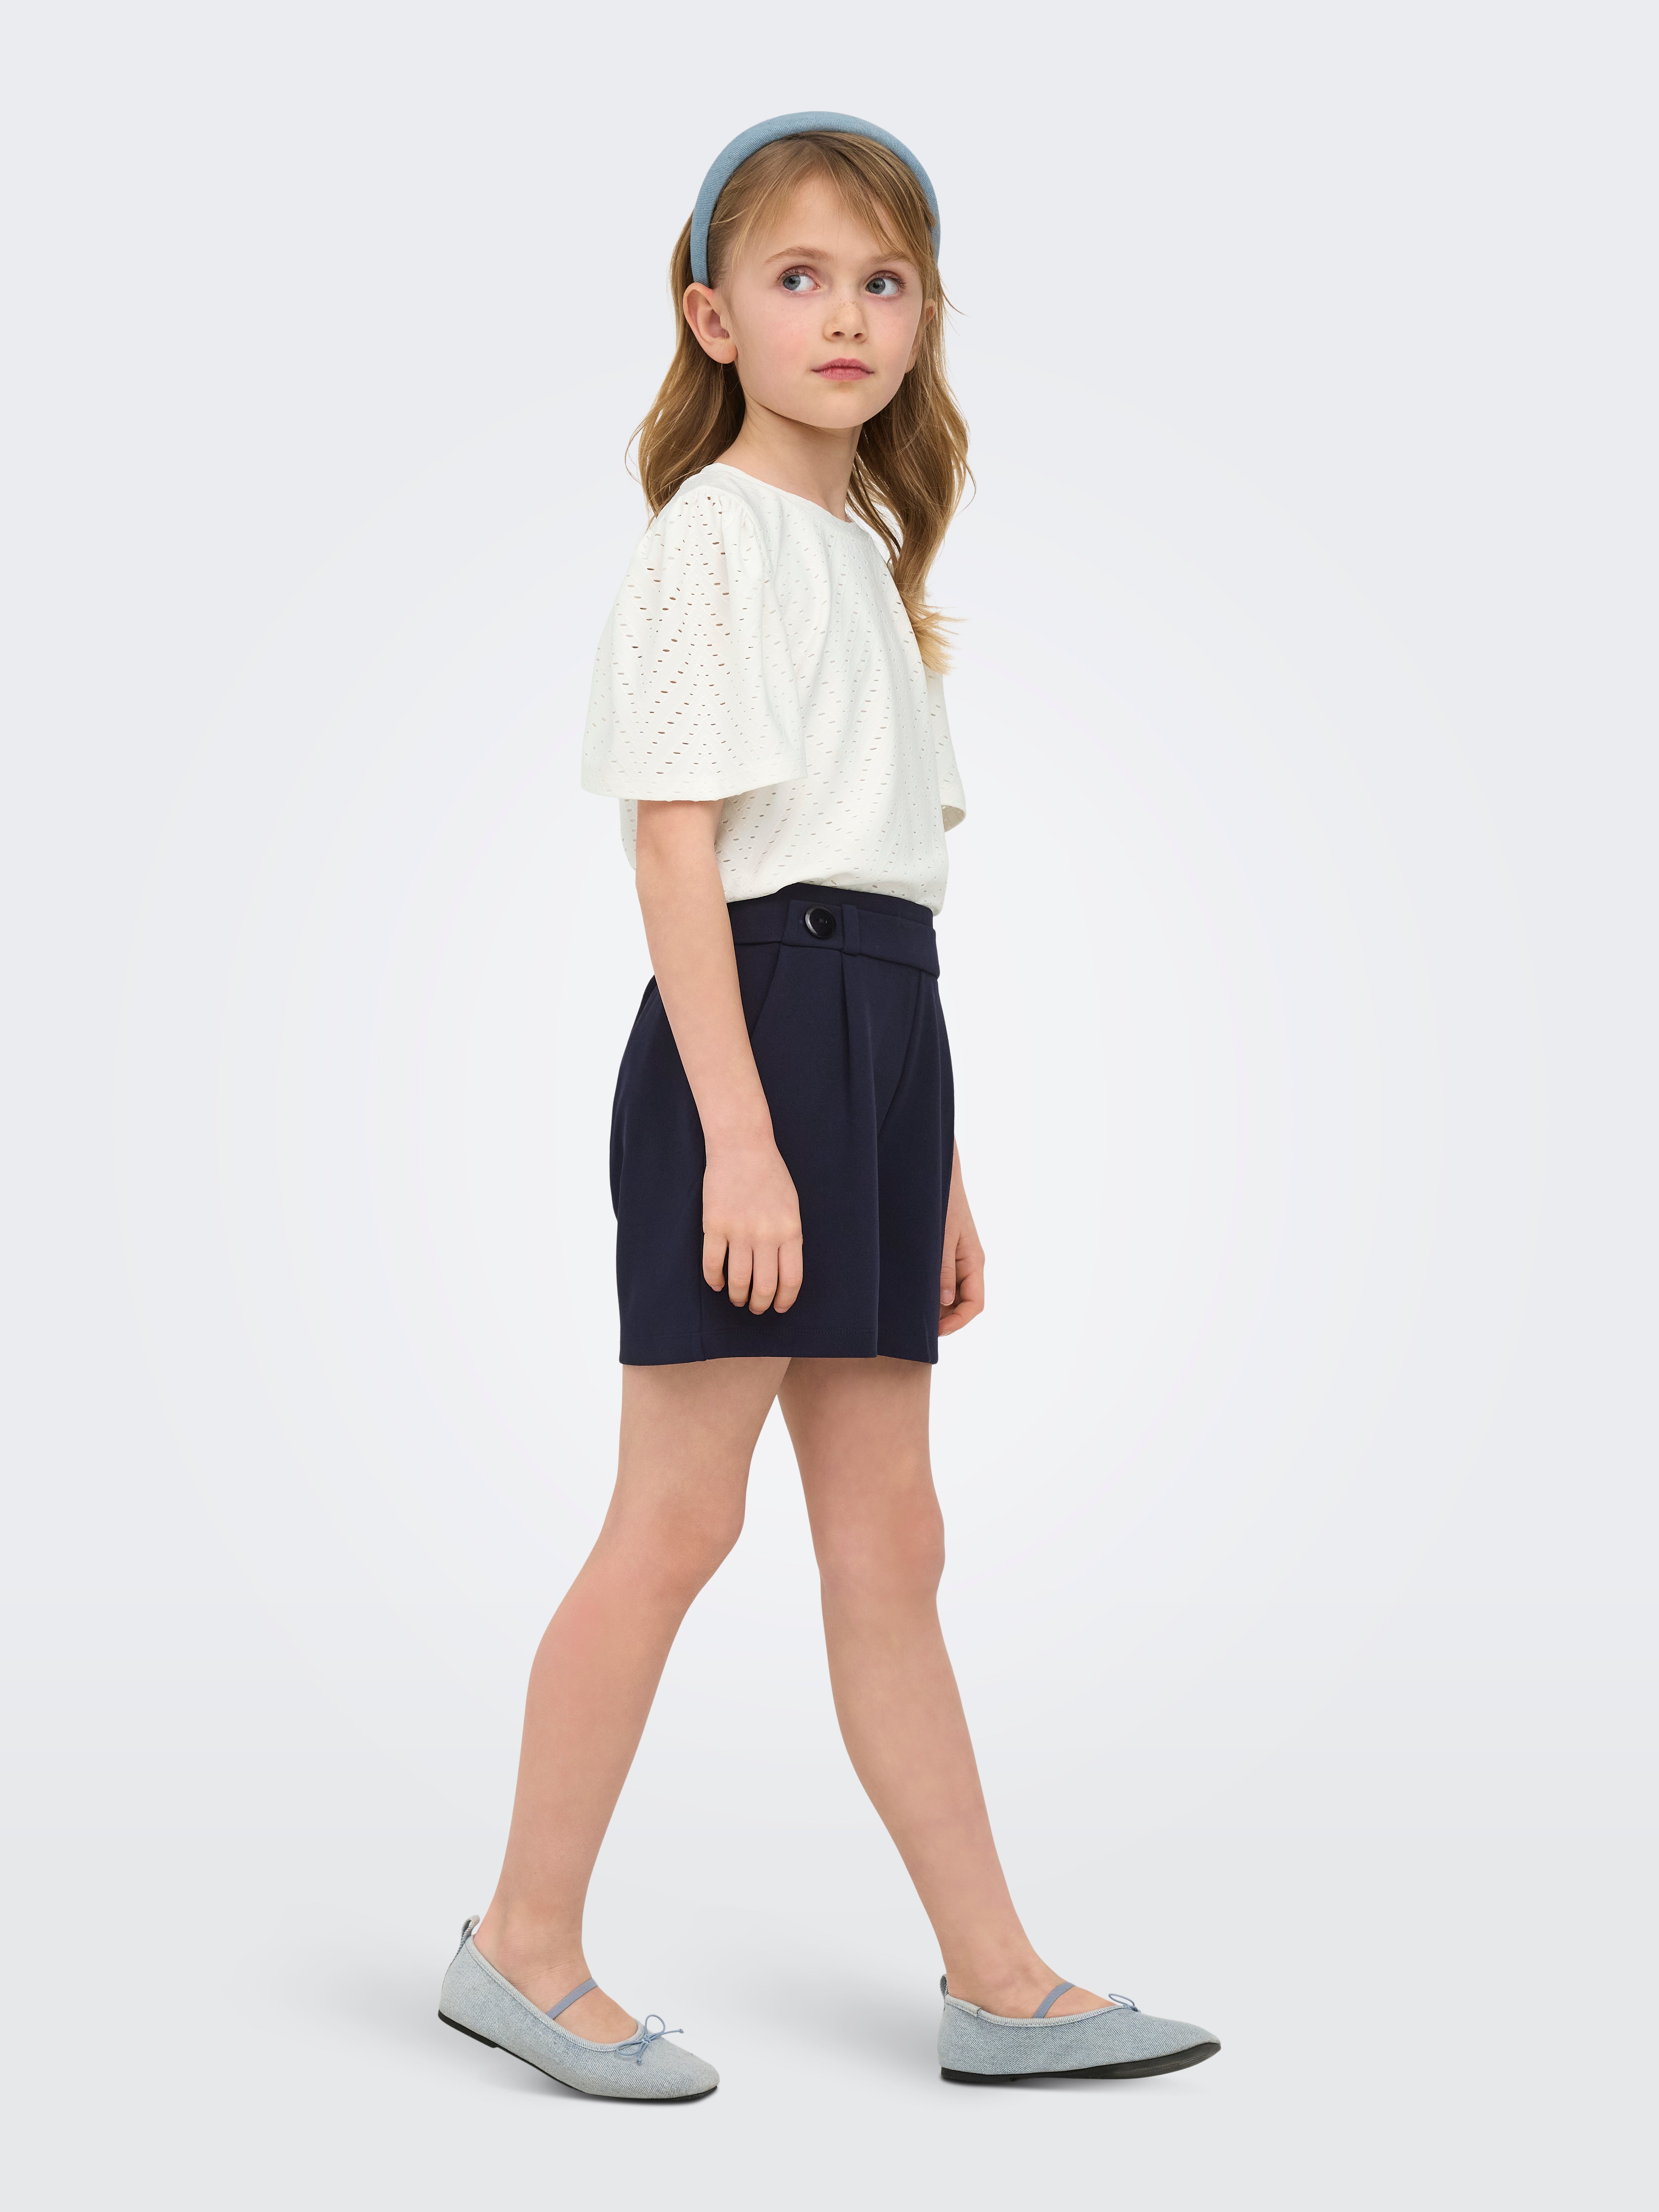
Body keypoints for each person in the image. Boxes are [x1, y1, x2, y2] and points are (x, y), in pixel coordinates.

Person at [438, 113, 1219, 2101]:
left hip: (879, 1034)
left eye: (884, 281)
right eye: (798, 277)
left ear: (925, 316)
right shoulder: (711, 536)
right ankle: (521, 1945)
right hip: (756, 1038)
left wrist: (934, 1166)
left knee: (895, 1544)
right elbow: (677, 854)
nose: (846, 315)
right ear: (713, 316)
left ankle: (999, 1981)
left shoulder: (864, 553)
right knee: (678, 1518)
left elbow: (888, 893)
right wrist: (744, 1134)